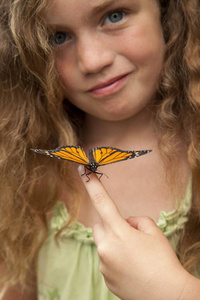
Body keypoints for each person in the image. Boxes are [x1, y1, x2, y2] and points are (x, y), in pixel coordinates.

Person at [0, 0, 199, 299]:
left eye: (114, 16)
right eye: (57, 37)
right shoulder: (30, 168)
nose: (92, 61)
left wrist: (171, 290)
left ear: (167, 13)